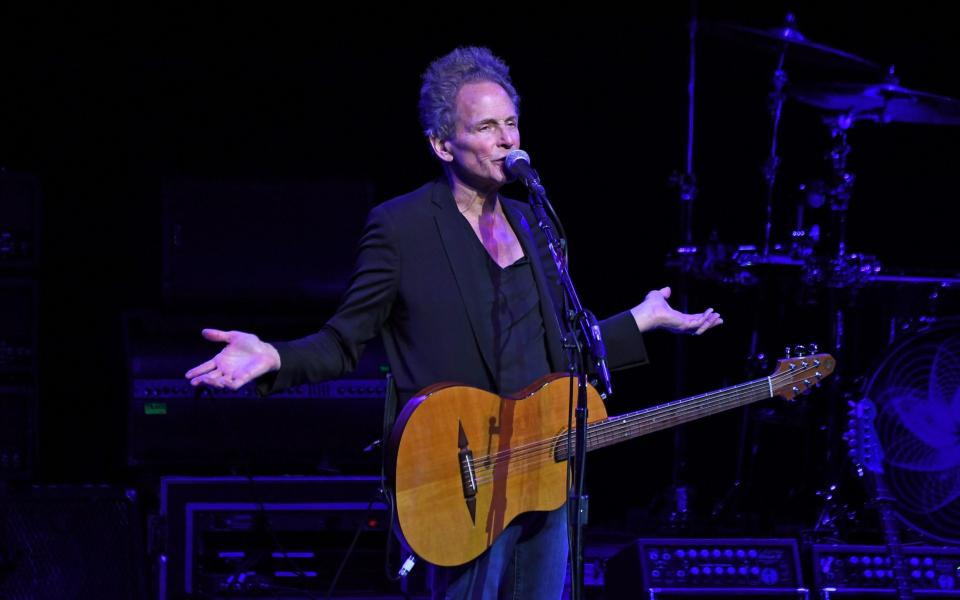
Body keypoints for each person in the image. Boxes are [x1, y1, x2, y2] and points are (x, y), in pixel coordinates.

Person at [186, 46, 722, 599]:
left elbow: (562, 352)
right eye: (487, 126)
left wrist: (640, 319)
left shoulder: (536, 224)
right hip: (459, 478)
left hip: (542, 472)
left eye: (511, 123)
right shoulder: (402, 228)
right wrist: (274, 355)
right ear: (443, 144)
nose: (507, 140)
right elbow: (344, 342)